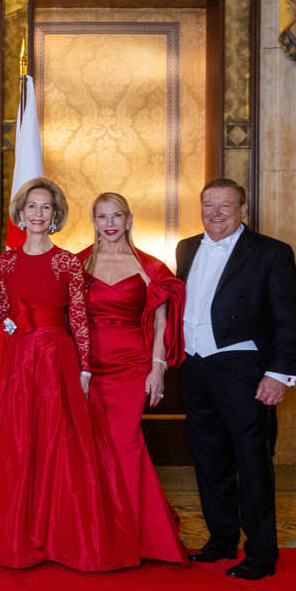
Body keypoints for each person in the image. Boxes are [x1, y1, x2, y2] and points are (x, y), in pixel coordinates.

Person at [0, 178, 134, 571]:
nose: (38, 214)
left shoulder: (67, 261)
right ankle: (15, 538)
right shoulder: (7, 260)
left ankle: (61, 537)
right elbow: (2, 310)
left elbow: (78, 318)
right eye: (32, 207)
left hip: (56, 357)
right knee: (17, 444)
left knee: (58, 444)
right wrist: (8, 331)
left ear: (55, 216)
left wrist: (86, 367)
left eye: (45, 208)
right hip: (16, 358)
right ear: (20, 214)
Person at [175, 178, 296, 581]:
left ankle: (262, 551)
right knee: (209, 458)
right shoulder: (187, 247)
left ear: (243, 210)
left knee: (252, 461)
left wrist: (278, 375)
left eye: (224, 206)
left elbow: (287, 319)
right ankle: (222, 538)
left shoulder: (271, 253)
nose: (215, 213)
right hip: (196, 368)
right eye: (208, 205)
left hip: (243, 369)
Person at [80, 192, 188, 565]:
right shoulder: (79, 263)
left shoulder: (150, 267)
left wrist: (158, 367)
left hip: (130, 366)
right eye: (102, 216)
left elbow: (161, 321)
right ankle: (98, 529)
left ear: (129, 219)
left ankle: (140, 534)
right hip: (87, 368)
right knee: (92, 448)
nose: (110, 223)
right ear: (93, 221)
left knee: (126, 444)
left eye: (117, 216)